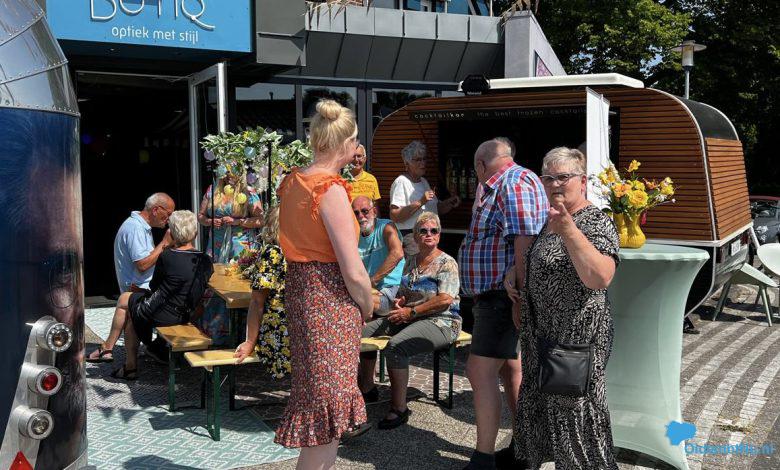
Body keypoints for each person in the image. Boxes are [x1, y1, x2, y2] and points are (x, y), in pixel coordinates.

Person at [505, 147, 619, 469]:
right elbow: (548, 262)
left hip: (575, 341)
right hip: (542, 338)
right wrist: (516, 274)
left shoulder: (595, 221)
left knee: (577, 420)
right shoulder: (553, 218)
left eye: (563, 177)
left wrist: (569, 230)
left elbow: (600, 277)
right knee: (545, 415)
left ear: (582, 181)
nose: (555, 184)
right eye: (548, 178)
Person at [275, 99, 373, 467]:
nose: (357, 147)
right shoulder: (329, 189)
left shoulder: (292, 181)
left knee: (319, 403)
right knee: (327, 407)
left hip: (301, 291)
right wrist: (367, 304)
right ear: (346, 143)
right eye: (356, 140)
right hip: (328, 299)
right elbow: (353, 269)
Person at [458, 137, 548, 470]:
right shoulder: (506, 183)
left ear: (481, 165)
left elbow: (525, 240)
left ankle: (484, 459)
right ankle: (525, 450)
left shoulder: (513, 182)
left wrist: (520, 299)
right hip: (499, 294)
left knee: (479, 371)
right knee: (511, 370)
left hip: (503, 295)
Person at [359, 212, 461, 429]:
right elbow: (405, 293)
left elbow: (445, 300)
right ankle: (363, 389)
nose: (429, 234)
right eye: (423, 231)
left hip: (442, 321)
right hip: (412, 317)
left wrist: (411, 312)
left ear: (439, 235)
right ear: (415, 236)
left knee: (396, 347)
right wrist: (401, 302)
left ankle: (399, 408)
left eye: (434, 230)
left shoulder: (447, 262)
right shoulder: (411, 261)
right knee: (357, 334)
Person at [87, 211, 214, 380]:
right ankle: (145, 350)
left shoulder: (167, 256)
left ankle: (123, 361)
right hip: (187, 313)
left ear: (173, 233)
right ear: (195, 233)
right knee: (130, 305)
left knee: (127, 303)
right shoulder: (205, 260)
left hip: (162, 313)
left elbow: (155, 286)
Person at [197, 169, 264, 344]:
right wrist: (210, 221)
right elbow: (201, 216)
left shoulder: (249, 192)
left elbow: (261, 220)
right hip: (216, 244)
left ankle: (241, 335)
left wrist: (238, 221)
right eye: (226, 172)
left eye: (232, 172)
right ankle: (214, 333)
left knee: (238, 283)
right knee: (213, 282)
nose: (228, 175)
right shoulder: (213, 190)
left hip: (239, 245)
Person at [234, 205, 291, 378]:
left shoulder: (272, 252)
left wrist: (250, 342)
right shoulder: (297, 251)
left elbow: (257, 301)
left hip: (278, 332)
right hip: (297, 327)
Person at [389, 140, 460, 256]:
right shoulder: (401, 182)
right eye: (418, 160)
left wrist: (450, 203)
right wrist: (420, 202)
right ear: (407, 163)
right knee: (418, 267)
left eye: (424, 159)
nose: (423, 163)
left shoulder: (423, 181)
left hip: (430, 234)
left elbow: (437, 209)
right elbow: (395, 215)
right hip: (413, 237)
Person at [352, 195, 405, 318]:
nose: (360, 216)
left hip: (391, 288)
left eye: (365, 211)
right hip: (368, 290)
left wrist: (371, 282)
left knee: (356, 299)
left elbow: (397, 253)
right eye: (356, 213)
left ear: (375, 212)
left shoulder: (386, 227)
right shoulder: (353, 235)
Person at [114, 193, 175, 293]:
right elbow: (142, 265)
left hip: (143, 289)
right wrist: (165, 243)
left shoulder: (141, 226)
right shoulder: (135, 228)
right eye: (169, 214)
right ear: (155, 210)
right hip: (138, 293)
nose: (169, 219)